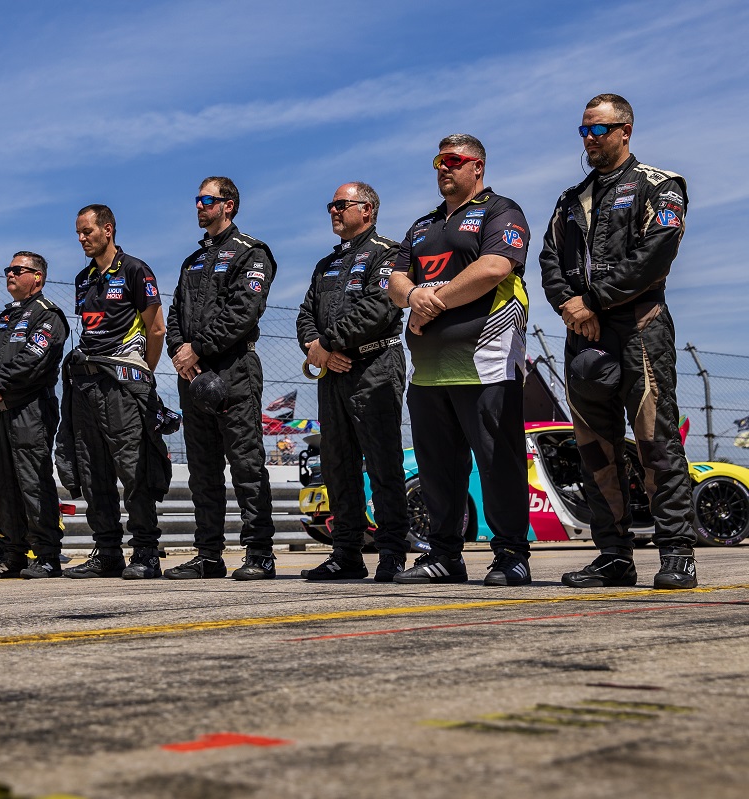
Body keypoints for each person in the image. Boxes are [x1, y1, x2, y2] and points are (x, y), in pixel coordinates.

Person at [540, 93, 698, 589]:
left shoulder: (659, 185)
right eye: (584, 130)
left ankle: (677, 552)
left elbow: (656, 253)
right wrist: (570, 306)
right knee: (594, 448)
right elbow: (549, 260)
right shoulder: (570, 199)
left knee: (656, 442)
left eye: (600, 130)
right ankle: (613, 556)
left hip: (639, 329)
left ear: (625, 130)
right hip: (582, 334)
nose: (590, 138)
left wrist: (595, 301)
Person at [387, 135, 533, 586]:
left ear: (478, 167)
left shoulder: (500, 210)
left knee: (497, 462)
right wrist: (412, 294)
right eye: (438, 161)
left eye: (454, 161)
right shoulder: (421, 225)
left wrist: (432, 302)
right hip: (429, 372)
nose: (443, 168)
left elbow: (494, 267)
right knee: (438, 469)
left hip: (486, 363)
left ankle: (511, 555)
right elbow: (392, 277)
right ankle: (445, 556)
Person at [164, 177, 278, 580]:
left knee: (246, 464)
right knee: (202, 470)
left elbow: (244, 312)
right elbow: (174, 313)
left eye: (207, 199)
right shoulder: (192, 260)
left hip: (234, 370)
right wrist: (180, 353)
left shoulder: (252, 254)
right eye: (197, 199)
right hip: (192, 375)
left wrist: (199, 347)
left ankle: (260, 553)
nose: (199, 205)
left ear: (228, 205)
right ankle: (208, 554)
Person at [297, 182, 410, 582]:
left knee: (383, 461)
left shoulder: (389, 253)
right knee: (338, 463)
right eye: (331, 205)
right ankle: (346, 553)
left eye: (341, 204)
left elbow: (378, 308)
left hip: (375, 364)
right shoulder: (325, 264)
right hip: (332, 372)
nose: (333, 211)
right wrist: (319, 349)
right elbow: (305, 315)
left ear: (368, 209)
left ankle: (393, 552)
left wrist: (327, 343)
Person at [56, 205, 172, 579]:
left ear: (108, 229)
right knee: (93, 472)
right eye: (77, 232)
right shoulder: (83, 278)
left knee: (133, 468)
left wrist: (143, 374)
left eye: (87, 230)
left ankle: (146, 553)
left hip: (124, 382)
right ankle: (107, 552)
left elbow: (156, 329)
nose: (81, 238)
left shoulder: (136, 269)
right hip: (86, 384)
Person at [0, 252, 68, 579]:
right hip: (0, 412)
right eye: (8, 270)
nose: (9, 274)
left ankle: (47, 556)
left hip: (31, 411)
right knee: (4, 485)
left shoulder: (48, 316)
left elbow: (33, 361)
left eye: (17, 269)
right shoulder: (3, 317)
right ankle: (13, 555)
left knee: (32, 482)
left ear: (37, 277)